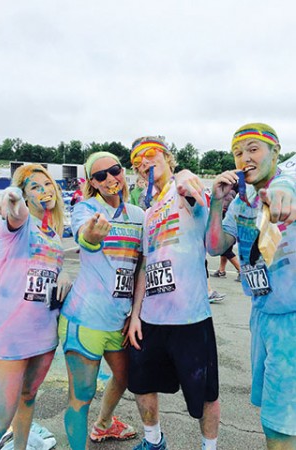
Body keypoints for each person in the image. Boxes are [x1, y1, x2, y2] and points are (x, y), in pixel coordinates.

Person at [206, 123, 296, 450]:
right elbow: (216, 246)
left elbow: (287, 183)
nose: (244, 158)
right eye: (238, 152)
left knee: (278, 426)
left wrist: (283, 192)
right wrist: (217, 203)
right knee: (279, 416)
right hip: (261, 316)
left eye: (253, 149)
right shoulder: (243, 201)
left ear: (276, 152)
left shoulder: (286, 184)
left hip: (291, 321)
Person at [128, 136, 220, 450]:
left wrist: (184, 178)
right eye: (137, 159)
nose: (143, 162)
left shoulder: (185, 193)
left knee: (205, 394)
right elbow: (145, 265)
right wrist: (136, 315)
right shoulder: (149, 211)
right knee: (141, 384)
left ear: (169, 158)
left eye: (150, 155)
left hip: (190, 318)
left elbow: (192, 194)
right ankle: (154, 441)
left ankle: (210, 447)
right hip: (152, 318)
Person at [58, 151, 144, 450]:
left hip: (119, 321)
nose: (110, 178)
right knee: (80, 397)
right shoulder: (87, 209)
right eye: (100, 175)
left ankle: (104, 424)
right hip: (84, 320)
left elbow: (142, 266)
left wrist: (135, 314)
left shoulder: (138, 215)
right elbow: (84, 235)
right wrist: (91, 236)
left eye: (115, 170)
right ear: (92, 183)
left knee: (125, 377)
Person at [0, 164, 71, 449]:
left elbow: (53, 267)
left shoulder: (53, 232)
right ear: (26, 196)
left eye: (47, 184)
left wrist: (63, 273)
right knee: (0, 418)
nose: (44, 191)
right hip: (13, 333)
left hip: (45, 332)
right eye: (34, 187)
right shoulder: (19, 225)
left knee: (28, 396)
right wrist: (13, 196)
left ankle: (21, 446)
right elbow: (15, 212)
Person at [211, 185, 241, 281]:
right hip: (229, 224)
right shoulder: (233, 194)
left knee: (225, 250)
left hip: (226, 224)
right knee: (225, 250)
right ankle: (221, 270)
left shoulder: (228, 195)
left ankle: (241, 271)